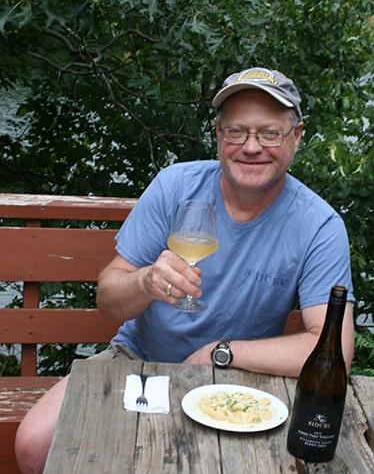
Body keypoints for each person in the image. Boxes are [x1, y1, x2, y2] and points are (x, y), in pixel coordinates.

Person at [15, 67, 355, 473]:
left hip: (240, 380)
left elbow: (334, 351)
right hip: (137, 360)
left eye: (269, 133)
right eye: (236, 132)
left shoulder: (318, 224)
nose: (251, 147)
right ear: (218, 134)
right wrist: (144, 281)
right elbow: (108, 299)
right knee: (34, 445)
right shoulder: (175, 187)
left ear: (296, 137)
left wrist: (221, 352)